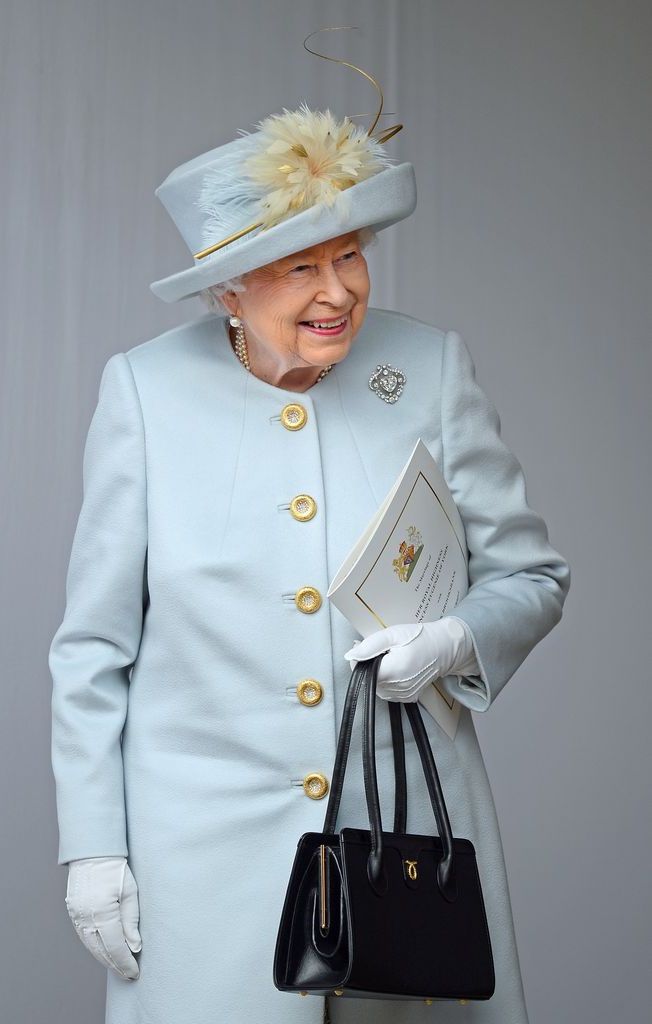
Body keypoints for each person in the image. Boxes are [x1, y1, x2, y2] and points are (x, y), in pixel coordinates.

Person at [49, 98, 571, 1024]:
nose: (338, 292)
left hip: (405, 845)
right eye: (300, 269)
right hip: (203, 864)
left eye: (349, 256)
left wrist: (454, 641)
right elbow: (93, 651)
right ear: (228, 289)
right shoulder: (143, 393)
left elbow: (531, 576)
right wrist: (92, 847)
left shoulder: (429, 369)